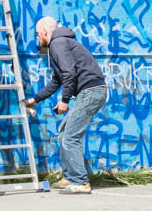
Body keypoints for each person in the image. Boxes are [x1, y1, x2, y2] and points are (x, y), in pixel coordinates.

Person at [29, 16, 106, 193]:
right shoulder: (60, 44)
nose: (37, 38)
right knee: (64, 131)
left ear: (45, 32)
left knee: (71, 136)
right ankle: (70, 177)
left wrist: (64, 101)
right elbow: (57, 81)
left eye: (37, 34)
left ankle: (80, 181)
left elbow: (69, 73)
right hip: (89, 92)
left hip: (91, 92)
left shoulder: (57, 43)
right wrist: (35, 100)